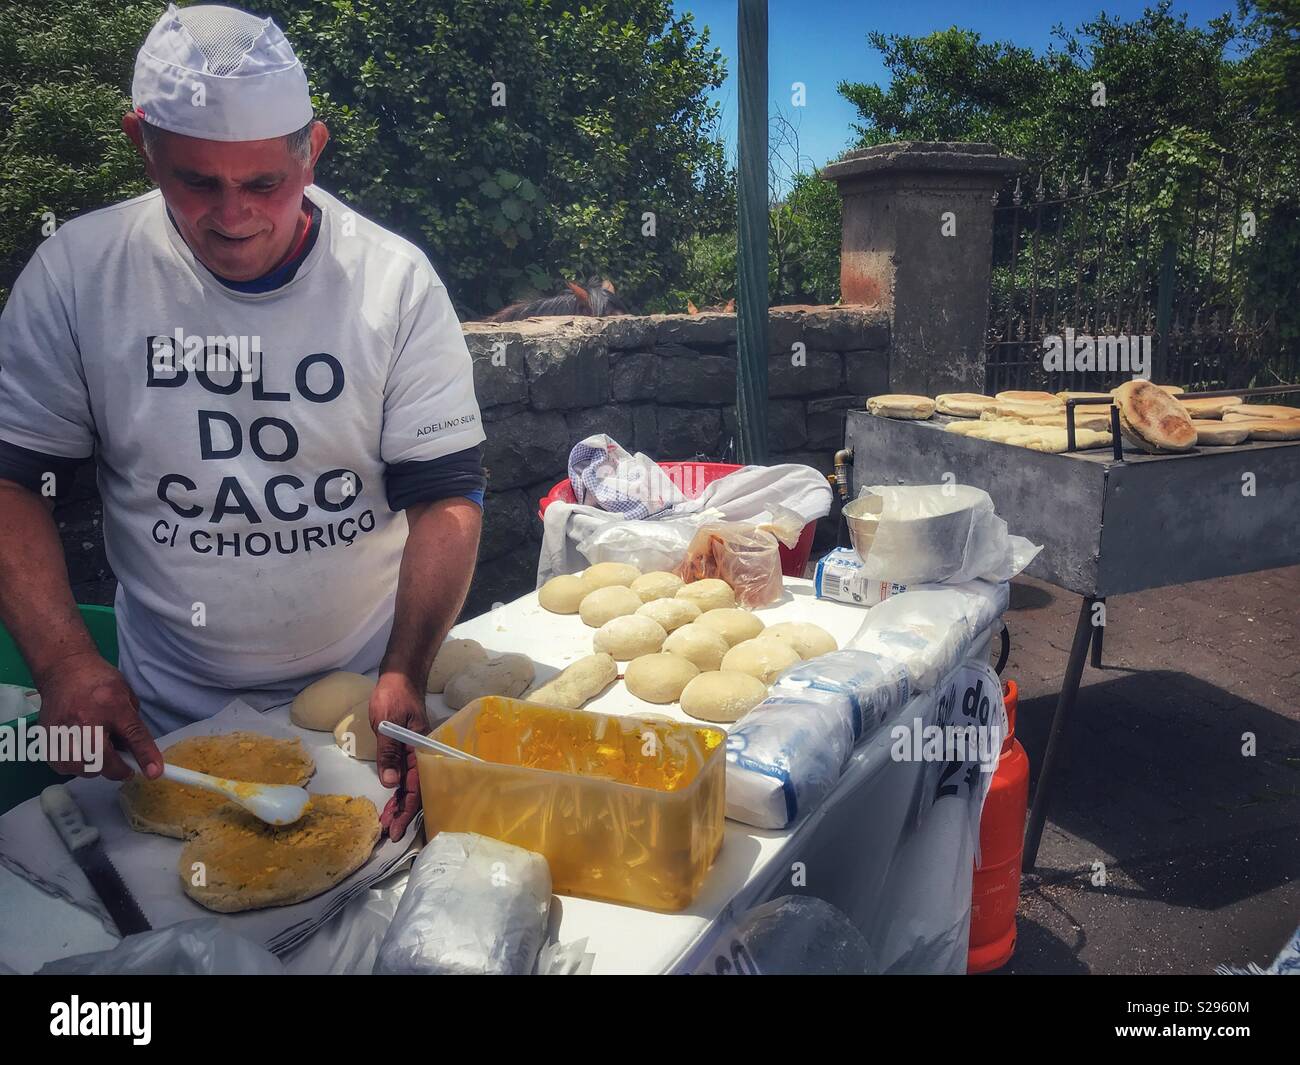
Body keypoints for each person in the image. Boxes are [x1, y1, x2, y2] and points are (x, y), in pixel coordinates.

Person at [0, 4, 486, 840]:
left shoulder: (392, 282)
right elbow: (11, 480)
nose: (234, 216)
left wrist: (407, 667)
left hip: (363, 702)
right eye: (197, 182)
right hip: (164, 721)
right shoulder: (79, 276)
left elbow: (445, 495)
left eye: (265, 183)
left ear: (314, 149)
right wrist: (65, 660)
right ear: (141, 145)